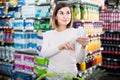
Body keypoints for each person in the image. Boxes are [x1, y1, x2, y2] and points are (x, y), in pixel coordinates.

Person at [41, 2, 89, 78]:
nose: (65, 16)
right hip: (52, 76)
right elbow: (44, 54)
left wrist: (83, 47)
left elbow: (80, 60)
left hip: (70, 76)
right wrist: (61, 46)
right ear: (56, 16)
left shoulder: (75, 33)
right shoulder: (48, 34)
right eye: (61, 13)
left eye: (68, 13)